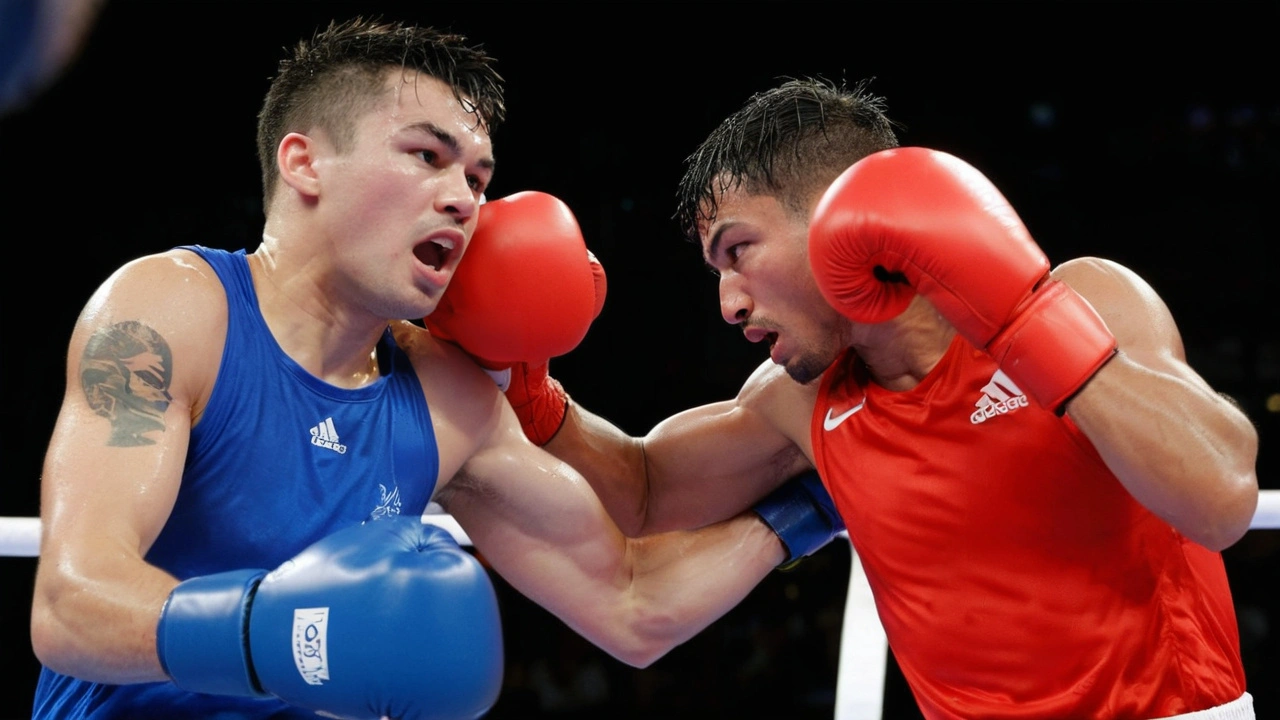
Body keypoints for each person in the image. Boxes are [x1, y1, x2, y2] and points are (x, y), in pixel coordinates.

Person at [27, 19, 846, 720]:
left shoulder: (450, 401)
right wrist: (274, 632)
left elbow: (631, 602)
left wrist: (816, 501)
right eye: (427, 156)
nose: (462, 198)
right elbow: (70, 604)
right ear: (306, 163)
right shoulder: (172, 311)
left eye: (478, 178)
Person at [446, 77, 1263, 719]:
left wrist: (1023, 320)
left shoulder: (1085, 299)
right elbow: (644, 489)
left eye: (739, 250)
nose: (728, 303)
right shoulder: (801, 402)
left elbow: (1221, 501)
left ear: (843, 216)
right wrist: (526, 380)